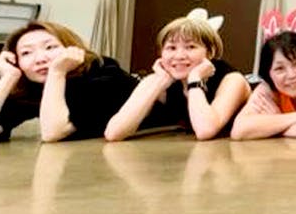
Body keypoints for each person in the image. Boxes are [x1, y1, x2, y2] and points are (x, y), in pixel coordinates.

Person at [0, 21, 137, 145]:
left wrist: (57, 72)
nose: (40, 59)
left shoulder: (102, 72)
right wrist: (8, 78)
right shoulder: (33, 87)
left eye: (50, 47)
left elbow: (53, 133)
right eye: (26, 53)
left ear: (72, 49)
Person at [104, 9, 251, 141]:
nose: (179, 56)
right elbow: (113, 133)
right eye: (171, 48)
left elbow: (205, 130)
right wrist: (159, 83)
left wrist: (195, 80)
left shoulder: (232, 80)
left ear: (210, 52)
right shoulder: (162, 79)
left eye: (190, 47)